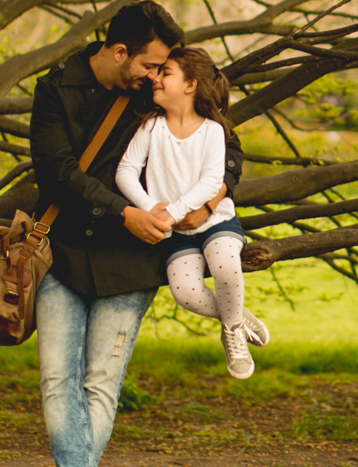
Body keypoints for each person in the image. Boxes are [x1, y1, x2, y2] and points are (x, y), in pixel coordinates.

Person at [26, 2, 245, 467]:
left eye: (163, 69)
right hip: (65, 253)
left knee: (101, 383)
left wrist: (209, 202)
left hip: (132, 262)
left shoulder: (160, 98)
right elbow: (57, 174)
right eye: (150, 66)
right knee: (57, 380)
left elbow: (227, 150)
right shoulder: (56, 91)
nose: (157, 76)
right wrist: (124, 212)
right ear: (120, 53)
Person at [115, 46, 268, 381]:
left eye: (165, 73)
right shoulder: (151, 127)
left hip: (216, 222)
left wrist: (173, 211)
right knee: (185, 294)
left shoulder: (213, 130)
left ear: (190, 85)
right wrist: (149, 206)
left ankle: (231, 335)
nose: (155, 77)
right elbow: (125, 170)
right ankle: (237, 316)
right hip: (175, 233)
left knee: (226, 267)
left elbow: (212, 180)